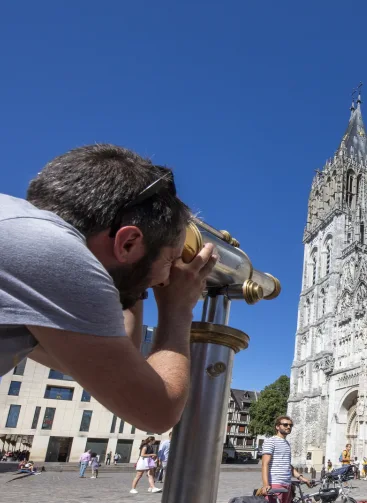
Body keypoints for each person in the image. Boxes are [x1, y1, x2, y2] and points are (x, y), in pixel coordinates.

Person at [0, 145, 219, 434]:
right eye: (169, 260)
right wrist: (178, 309)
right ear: (127, 243)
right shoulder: (51, 253)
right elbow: (156, 411)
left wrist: (134, 277)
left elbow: (109, 360)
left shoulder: (19, 231)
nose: (168, 279)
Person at [259, 416, 310, 503]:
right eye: (285, 424)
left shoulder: (286, 443)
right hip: (275, 483)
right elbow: (265, 464)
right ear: (277, 427)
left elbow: (287, 465)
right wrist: (266, 484)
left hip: (287, 484)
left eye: (290, 425)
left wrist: (301, 478)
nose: (288, 427)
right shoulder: (271, 441)